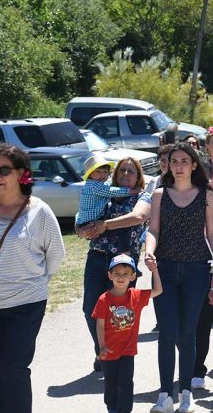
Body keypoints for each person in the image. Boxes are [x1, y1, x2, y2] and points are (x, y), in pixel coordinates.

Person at [0, 141, 65, 413]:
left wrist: (34, 282)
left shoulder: (40, 211)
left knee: (13, 367)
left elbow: (55, 256)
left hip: (27, 303)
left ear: (21, 172)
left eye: (4, 170)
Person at [145, 143, 213, 413]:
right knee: (167, 333)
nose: (178, 165)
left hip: (196, 270)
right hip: (164, 270)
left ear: (194, 165)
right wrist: (149, 252)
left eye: (184, 160)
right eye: (173, 161)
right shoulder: (158, 195)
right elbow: (153, 230)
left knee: (188, 334)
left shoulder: (206, 195)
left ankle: (186, 394)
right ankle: (165, 395)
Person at [77, 157, 152, 371]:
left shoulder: (142, 196)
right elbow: (83, 212)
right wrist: (79, 227)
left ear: (138, 176)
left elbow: (137, 217)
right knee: (90, 308)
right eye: (122, 171)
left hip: (123, 264)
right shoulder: (104, 193)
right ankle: (102, 349)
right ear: (115, 175)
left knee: (120, 312)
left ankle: (117, 355)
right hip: (97, 257)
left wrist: (104, 226)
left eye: (131, 171)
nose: (126, 175)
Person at [93, 254, 163, 413]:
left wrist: (155, 270)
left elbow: (158, 290)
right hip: (108, 352)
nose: (121, 277)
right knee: (111, 383)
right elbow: (100, 324)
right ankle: (112, 408)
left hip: (127, 350)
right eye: (116, 273)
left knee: (126, 382)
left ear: (132, 277)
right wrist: (102, 346)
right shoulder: (104, 300)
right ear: (110, 275)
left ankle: (125, 410)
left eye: (125, 274)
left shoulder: (136, 296)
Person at [76, 155, 137, 228]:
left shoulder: (100, 184)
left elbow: (108, 184)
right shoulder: (93, 186)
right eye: (98, 171)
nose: (102, 174)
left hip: (91, 220)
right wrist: (131, 191)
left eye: (105, 172)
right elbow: (112, 191)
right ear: (90, 174)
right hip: (89, 222)